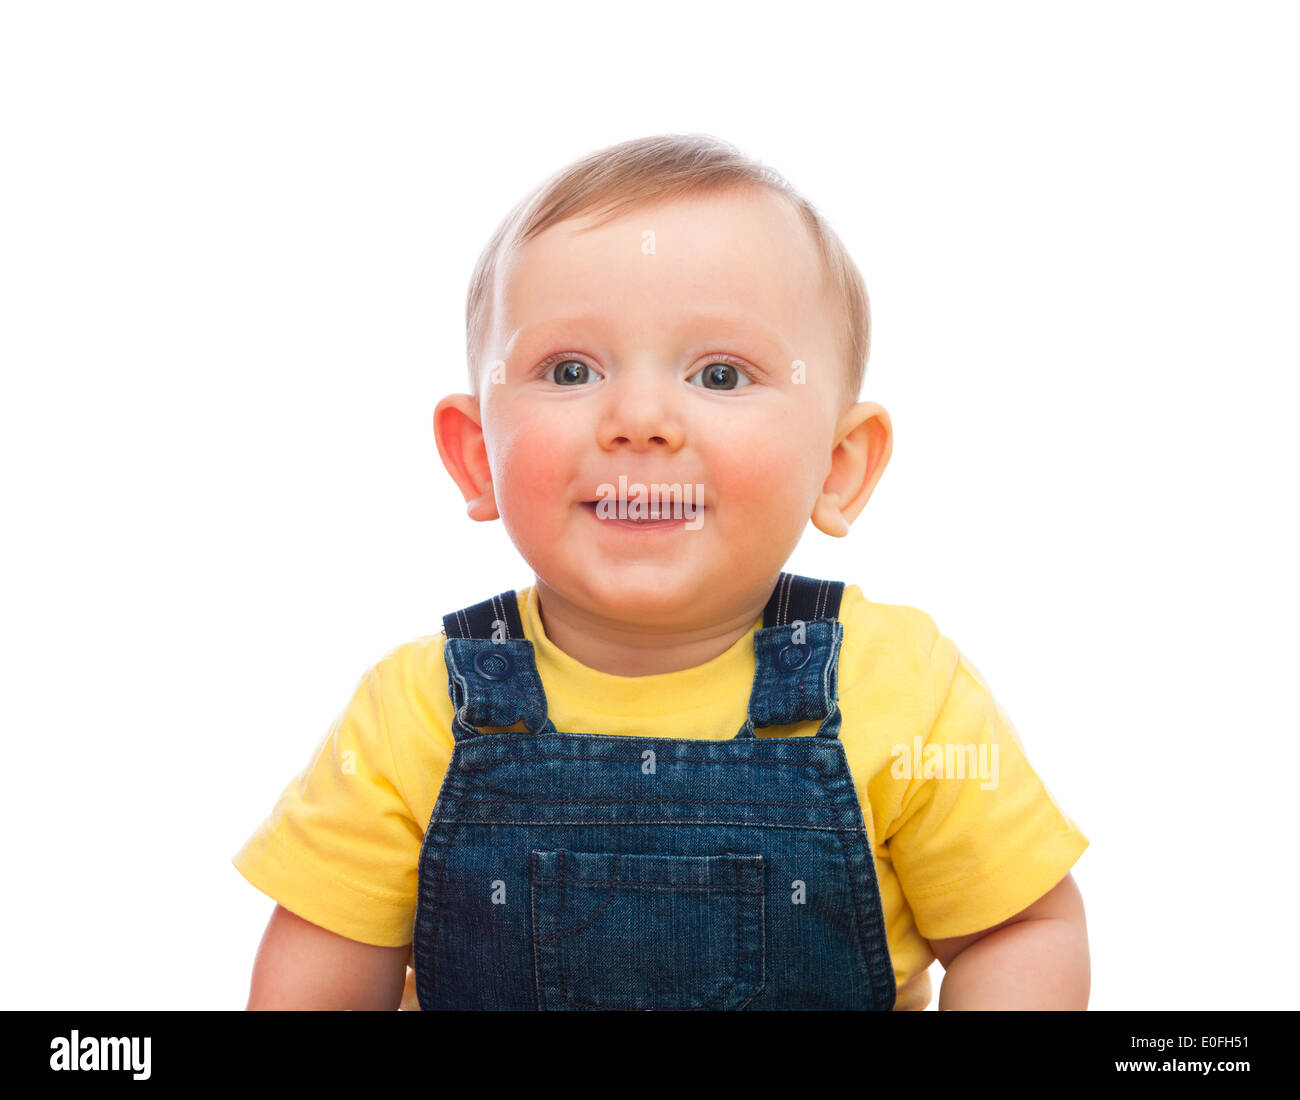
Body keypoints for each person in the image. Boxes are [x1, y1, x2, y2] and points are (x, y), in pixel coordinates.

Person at [233, 133, 1090, 1010]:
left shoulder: (903, 690)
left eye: (720, 374)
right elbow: (319, 974)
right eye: (570, 370)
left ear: (838, 466)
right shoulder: (413, 713)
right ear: (477, 458)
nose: (641, 419)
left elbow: (1018, 929)